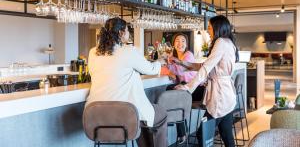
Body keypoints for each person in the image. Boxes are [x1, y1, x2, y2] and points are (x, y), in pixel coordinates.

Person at [86, 17, 167, 147]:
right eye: (128, 30)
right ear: (121, 33)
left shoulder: (92, 52)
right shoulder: (129, 51)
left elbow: (93, 73)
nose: (129, 34)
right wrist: (160, 62)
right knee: (160, 114)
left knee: (141, 119)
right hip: (125, 114)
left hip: (95, 115)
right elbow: (151, 69)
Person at [173, 15, 239, 147]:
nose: (208, 31)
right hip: (227, 95)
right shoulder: (228, 42)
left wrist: (188, 88)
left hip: (220, 96)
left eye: (209, 27)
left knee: (202, 133)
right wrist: (183, 63)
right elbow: (207, 65)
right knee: (227, 136)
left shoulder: (220, 42)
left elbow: (206, 69)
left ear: (217, 27)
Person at [161, 33, 199, 144]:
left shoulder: (188, 55)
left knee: (172, 91)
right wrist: (168, 64)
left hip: (194, 88)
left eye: (183, 41)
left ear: (186, 44)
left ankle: (177, 128)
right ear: (173, 44)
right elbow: (172, 69)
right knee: (171, 90)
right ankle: (180, 130)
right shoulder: (176, 57)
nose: (180, 43)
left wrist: (170, 64)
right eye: (177, 41)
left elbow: (179, 70)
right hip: (185, 86)